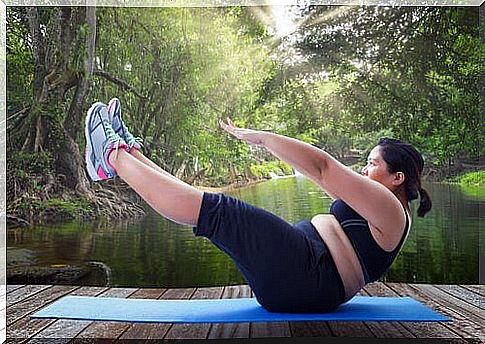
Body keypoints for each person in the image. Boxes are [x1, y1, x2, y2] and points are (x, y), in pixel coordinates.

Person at [84, 98, 432, 313]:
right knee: (208, 204)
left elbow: (323, 168)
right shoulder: (379, 209)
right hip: (306, 273)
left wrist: (260, 136)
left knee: (219, 211)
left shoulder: (390, 209)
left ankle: (110, 157)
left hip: (309, 276)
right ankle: (129, 153)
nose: (363, 169)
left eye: (371, 163)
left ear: (397, 177)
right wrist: (265, 143)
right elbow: (313, 173)